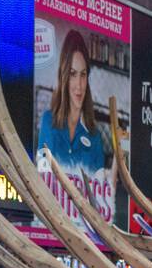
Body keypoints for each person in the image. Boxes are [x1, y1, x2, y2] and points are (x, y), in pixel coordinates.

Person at [37, 29, 107, 179]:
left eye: (83, 74)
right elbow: (41, 181)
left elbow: (100, 196)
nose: (79, 85)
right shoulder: (48, 122)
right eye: (72, 74)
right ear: (64, 77)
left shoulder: (95, 137)